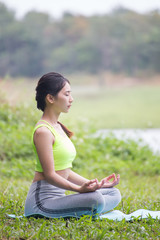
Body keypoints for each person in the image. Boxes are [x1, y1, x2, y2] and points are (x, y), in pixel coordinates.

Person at [25, 72, 121, 219]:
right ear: (50, 98)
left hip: (57, 198)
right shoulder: (43, 132)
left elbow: (65, 172)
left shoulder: (57, 127)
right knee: (96, 199)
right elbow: (50, 175)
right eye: (67, 94)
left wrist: (93, 185)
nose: (72, 99)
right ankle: (88, 208)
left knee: (113, 193)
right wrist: (79, 190)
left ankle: (86, 208)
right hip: (41, 204)